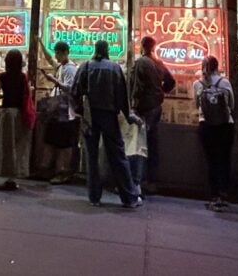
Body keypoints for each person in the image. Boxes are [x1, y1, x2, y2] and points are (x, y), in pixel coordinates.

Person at [73, 40, 143, 209]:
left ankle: (94, 196)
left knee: (92, 157)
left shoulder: (86, 66)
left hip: (91, 117)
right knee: (118, 156)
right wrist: (128, 116)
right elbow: (122, 96)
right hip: (109, 116)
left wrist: (81, 112)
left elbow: (75, 92)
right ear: (107, 51)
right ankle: (129, 197)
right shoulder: (114, 68)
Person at [130, 36, 176, 192]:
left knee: (138, 145)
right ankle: (152, 180)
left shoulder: (141, 63)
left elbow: (136, 87)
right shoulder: (159, 63)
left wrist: (133, 106)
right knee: (152, 144)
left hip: (143, 108)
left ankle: (138, 180)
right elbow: (171, 82)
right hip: (156, 107)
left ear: (142, 47)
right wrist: (160, 92)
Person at [0, 49, 32, 191]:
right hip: (18, 115)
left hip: (5, 113)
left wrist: (5, 95)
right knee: (16, 146)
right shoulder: (23, 77)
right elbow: (27, 94)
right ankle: (12, 179)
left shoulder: (2, 76)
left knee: (1, 145)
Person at [194, 56, 235, 212]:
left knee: (211, 161)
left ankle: (213, 195)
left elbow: (197, 106)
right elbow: (232, 105)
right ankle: (224, 194)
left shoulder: (198, 84)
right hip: (225, 125)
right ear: (217, 66)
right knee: (224, 160)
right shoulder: (225, 83)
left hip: (206, 125)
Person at [41, 41, 78, 184]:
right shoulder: (61, 67)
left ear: (64, 53)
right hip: (58, 112)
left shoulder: (70, 69)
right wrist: (40, 43)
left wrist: (55, 81)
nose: (55, 56)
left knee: (64, 145)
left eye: (57, 53)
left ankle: (62, 172)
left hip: (66, 113)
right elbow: (49, 59)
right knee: (53, 142)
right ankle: (51, 170)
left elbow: (70, 89)